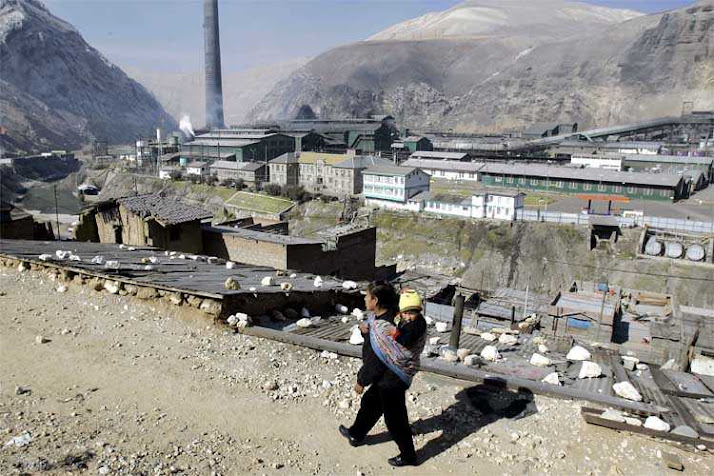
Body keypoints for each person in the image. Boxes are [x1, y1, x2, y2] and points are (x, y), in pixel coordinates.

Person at [338, 283, 427, 467]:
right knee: (371, 402)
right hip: (387, 373)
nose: (364, 299)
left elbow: (376, 360)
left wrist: (361, 380)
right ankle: (356, 434)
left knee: (395, 419)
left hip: (395, 375)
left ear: (375, 300)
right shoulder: (387, 315)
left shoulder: (382, 327)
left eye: (367, 296)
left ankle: (409, 456)